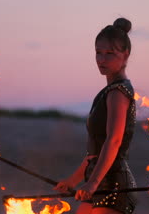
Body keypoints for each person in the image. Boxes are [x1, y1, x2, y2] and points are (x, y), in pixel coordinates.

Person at [55, 18, 138, 214]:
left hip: (114, 184)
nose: (102, 59)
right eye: (98, 53)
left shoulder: (118, 92)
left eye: (110, 53)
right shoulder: (108, 92)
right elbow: (95, 151)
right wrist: (72, 181)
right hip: (100, 182)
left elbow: (114, 141)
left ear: (125, 55)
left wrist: (92, 183)